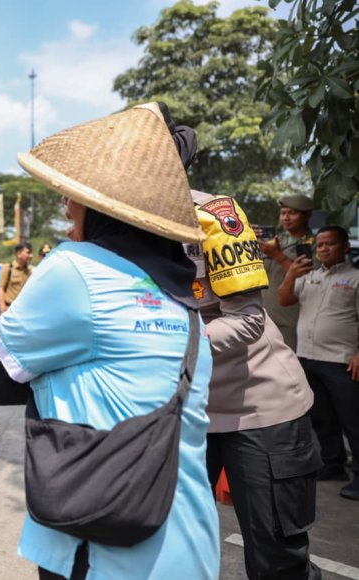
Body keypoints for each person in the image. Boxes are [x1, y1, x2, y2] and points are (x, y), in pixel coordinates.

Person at [0, 104, 220, 579]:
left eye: (73, 196)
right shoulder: (183, 300)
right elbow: (31, 384)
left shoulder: (74, 269)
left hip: (103, 541)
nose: (64, 206)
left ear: (104, 209)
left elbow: (4, 365)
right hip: (185, 540)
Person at [162, 106, 322, 579]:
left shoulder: (215, 216)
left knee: (276, 559)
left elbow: (248, 321)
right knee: (170, 550)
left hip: (257, 409)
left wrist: (156, 342)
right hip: (183, 410)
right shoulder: (114, 229)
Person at [279, 225, 359, 500]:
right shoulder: (309, 276)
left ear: (345, 247)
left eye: (330, 244)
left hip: (342, 361)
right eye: (320, 244)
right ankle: (333, 464)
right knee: (322, 418)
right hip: (308, 357)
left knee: (353, 420)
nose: (323, 249)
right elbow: (285, 298)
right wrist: (291, 272)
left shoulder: (356, 278)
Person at [257, 195, 315, 351]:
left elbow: (311, 279)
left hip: (290, 318)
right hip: (264, 315)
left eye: (292, 213)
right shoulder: (276, 240)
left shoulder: (315, 244)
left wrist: (278, 256)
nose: (286, 218)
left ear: (307, 216)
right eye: (283, 213)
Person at [0, 242, 34, 314]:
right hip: (9, 310)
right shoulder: (8, 268)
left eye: (31, 253)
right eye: (28, 253)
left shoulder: (29, 271)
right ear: (19, 254)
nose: (31, 256)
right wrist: (2, 308)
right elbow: (0, 288)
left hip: (24, 311)